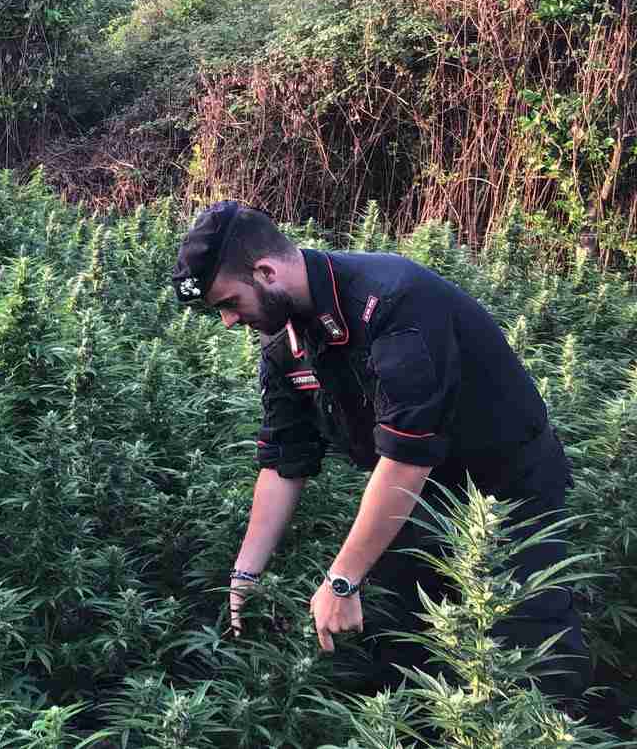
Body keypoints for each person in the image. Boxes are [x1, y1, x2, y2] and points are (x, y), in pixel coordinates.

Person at [172, 200, 588, 700]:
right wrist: (245, 574)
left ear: (266, 272)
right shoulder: (284, 340)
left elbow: (408, 455)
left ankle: (561, 720)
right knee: (401, 642)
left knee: (525, 645)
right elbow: (285, 459)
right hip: (414, 498)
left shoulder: (392, 301)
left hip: (506, 487)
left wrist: (342, 581)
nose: (227, 321)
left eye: (229, 302)